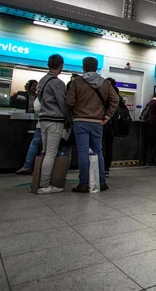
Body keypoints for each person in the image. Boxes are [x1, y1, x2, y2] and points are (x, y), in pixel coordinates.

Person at [66, 57, 118, 193]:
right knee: (98, 151)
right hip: (97, 122)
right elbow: (115, 100)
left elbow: (70, 102)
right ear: (97, 67)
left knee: (83, 153)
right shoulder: (105, 83)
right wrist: (107, 116)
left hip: (80, 121)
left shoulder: (77, 82)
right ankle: (101, 182)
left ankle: (83, 184)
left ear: (83, 67)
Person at [36, 55, 70, 194]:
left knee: (45, 151)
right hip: (54, 120)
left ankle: (39, 182)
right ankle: (45, 185)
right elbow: (63, 103)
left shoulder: (42, 80)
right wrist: (69, 118)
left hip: (43, 119)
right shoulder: (58, 83)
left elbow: (40, 98)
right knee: (51, 152)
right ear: (61, 66)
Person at [15, 79, 40, 175]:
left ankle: (29, 166)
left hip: (35, 121)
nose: (34, 87)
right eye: (33, 85)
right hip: (25, 121)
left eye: (36, 86)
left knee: (34, 144)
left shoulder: (38, 97)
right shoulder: (22, 94)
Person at [103, 77, 120, 177]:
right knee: (108, 147)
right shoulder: (116, 93)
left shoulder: (106, 92)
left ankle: (102, 167)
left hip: (104, 122)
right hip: (111, 124)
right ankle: (106, 168)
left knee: (101, 146)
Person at [142, 92, 156, 166]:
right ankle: (151, 160)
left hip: (147, 124)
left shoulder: (149, 102)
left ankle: (146, 160)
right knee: (154, 142)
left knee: (148, 143)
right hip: (154, 124)